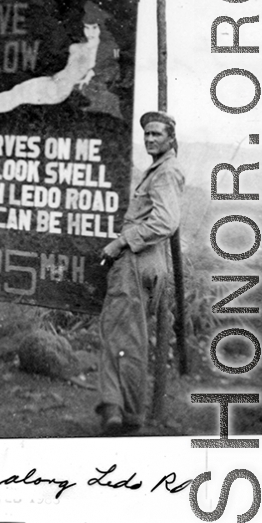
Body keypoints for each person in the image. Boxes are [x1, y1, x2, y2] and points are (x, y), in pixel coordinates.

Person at [96, 111, 185, 435]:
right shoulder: (161, 169)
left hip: (137, 261)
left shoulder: (166, 172)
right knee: (128, 336)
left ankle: (123, 414)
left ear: (170, 139)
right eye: (147, 134)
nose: (150, 139)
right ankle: (119, 409)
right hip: (149, 262)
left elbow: (165, 221)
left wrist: (121, 242)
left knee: (120, 335)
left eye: (156, 134)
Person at [0, 0, 123, 124]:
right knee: (15, 93)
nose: (90, 32)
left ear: (101, 28)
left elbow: (111, 63)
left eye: (94, 28)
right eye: (87, 27)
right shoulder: (77, 47)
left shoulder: (106, 48)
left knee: (15, 96)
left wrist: (90, 75)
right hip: (53, 81)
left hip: (58, 91)